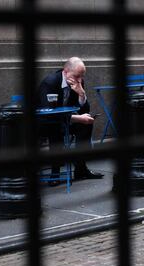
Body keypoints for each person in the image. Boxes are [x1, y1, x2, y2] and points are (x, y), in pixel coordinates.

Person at [37, 57, 104, 185]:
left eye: (81, 76)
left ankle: (80, 169)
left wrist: (81, 94)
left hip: (65, 120)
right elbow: (49, 114)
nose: (79, 80)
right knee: (55, 127)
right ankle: (55, 173)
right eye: (77, 76)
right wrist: (78, 118)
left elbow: (83, 109)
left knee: (86, 125)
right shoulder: (50, 82)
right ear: (66, 71)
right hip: (45, 122)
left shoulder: (78, 82)